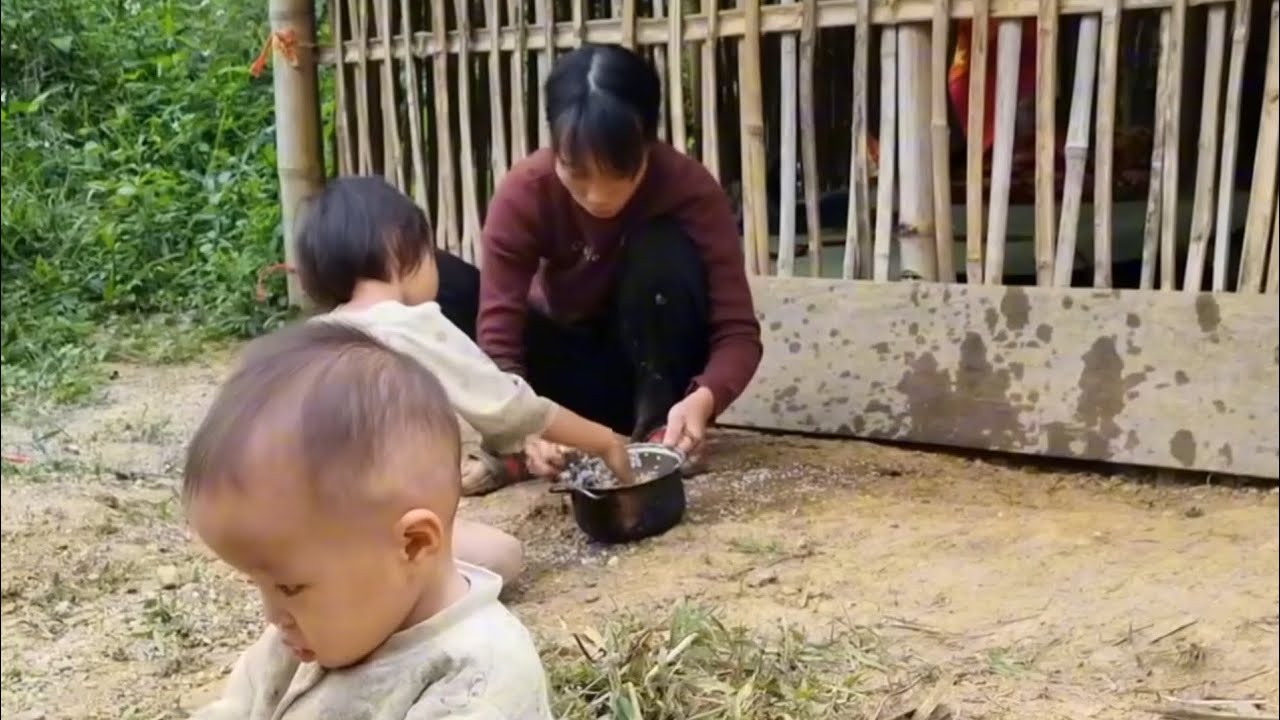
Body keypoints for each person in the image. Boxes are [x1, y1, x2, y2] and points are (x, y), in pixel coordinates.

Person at [184, 321, 554, 719]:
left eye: (289, 587)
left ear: (412, 544)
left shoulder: (479, 679)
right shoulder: (300, 636)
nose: (271, 616)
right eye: (259, 585)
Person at [435, 43, 763, 483]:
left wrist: (702, 400)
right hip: (564, 387)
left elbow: (738, 332)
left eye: (620, 173)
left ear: (649, 142)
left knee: (662, 246)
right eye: (577, 172)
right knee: (435, 281)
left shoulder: (690, 191)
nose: (598, 195)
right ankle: (527, 448)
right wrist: (524, 423)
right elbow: (500, 337)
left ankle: (659, 435)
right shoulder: (526, 193)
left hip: (653, 379)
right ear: (555, 149)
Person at [292, 175, 633, 499]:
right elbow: (512, 409)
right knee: (503, 556)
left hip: (310, 519)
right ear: (401, 247)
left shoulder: (316, 336)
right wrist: (604, 441)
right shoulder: (409, 325)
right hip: (378, 521)